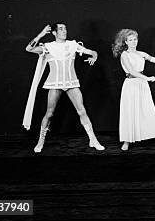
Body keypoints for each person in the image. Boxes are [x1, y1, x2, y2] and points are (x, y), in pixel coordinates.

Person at [23, 23, 104, 153]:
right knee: (49, 113)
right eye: (61, 29)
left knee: (82, 111)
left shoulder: (72, 45)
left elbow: (93, 52)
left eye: (65, 28)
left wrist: (94, 56)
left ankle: (93, 139)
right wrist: (42, 34)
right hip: (55, 83)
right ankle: (40, 141)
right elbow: (28, 48)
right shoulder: (48, 47)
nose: (64, 31)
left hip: (71, 83)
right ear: (54, 33)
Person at [112, 29, 155, 151]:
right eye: (130, 40)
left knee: (150, 110)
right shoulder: (124, 55)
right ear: (126, 42)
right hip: (131, 85)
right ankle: (126, 141)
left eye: (135, 39)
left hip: (142, 85)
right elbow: (131, 71)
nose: (133, 42)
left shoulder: (141, 54)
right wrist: (147, 78)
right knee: (130, 112)